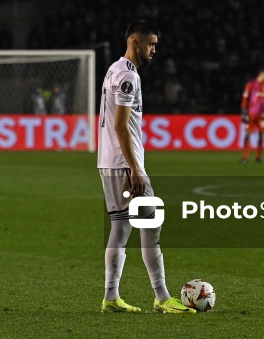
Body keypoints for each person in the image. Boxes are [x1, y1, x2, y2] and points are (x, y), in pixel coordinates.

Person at [97, 20, 196, 314]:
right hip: (124, 163)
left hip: (109, 162)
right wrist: (135, 169)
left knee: (121, 226)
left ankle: (111, 297)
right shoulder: (128, 76)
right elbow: (120, 125)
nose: (154, 50)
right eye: (151, 44)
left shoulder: (115, 70)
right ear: (135, 42)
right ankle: (162, 297)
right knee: (152, 223)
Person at [240, 66, 264, 163]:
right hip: (251, 114)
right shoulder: (251, 85)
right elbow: (245, 98)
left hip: (262, 115)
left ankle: (258, 157)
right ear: (262, 73)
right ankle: (245, 157)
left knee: (261, 135)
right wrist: (244, 111)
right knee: (247, 135)